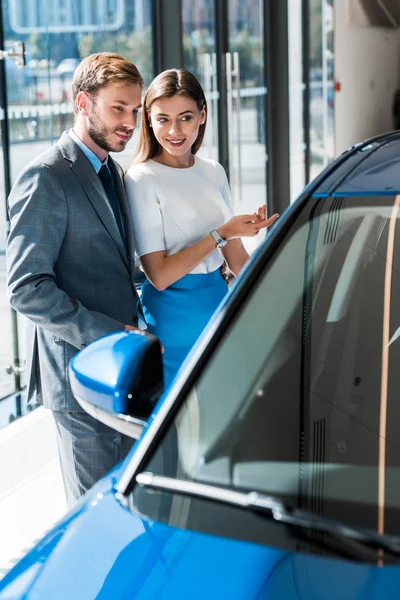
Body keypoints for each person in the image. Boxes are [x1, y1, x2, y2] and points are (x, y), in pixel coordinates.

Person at [6, 52, 146, 507]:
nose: (130, 123)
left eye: (135, 111)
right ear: (83, 103)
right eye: (118, 109)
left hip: (122, 371)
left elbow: (114, 268)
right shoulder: (46, 176)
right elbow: (25, 287)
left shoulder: (114, 171)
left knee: (128, 508)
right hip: (77, 381)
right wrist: (106, 333)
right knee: (95, 517)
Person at [124, 69, 278, 390]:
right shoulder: (141, 179)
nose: (175, 130)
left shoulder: (213, 171)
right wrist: (221, 233)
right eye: (163, 119)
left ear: (203, 115)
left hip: (219, 308)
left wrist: (276, 290)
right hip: (172, 322)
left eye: (186, 117)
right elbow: (159, 275)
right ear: (149, 121)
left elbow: (235, 258)